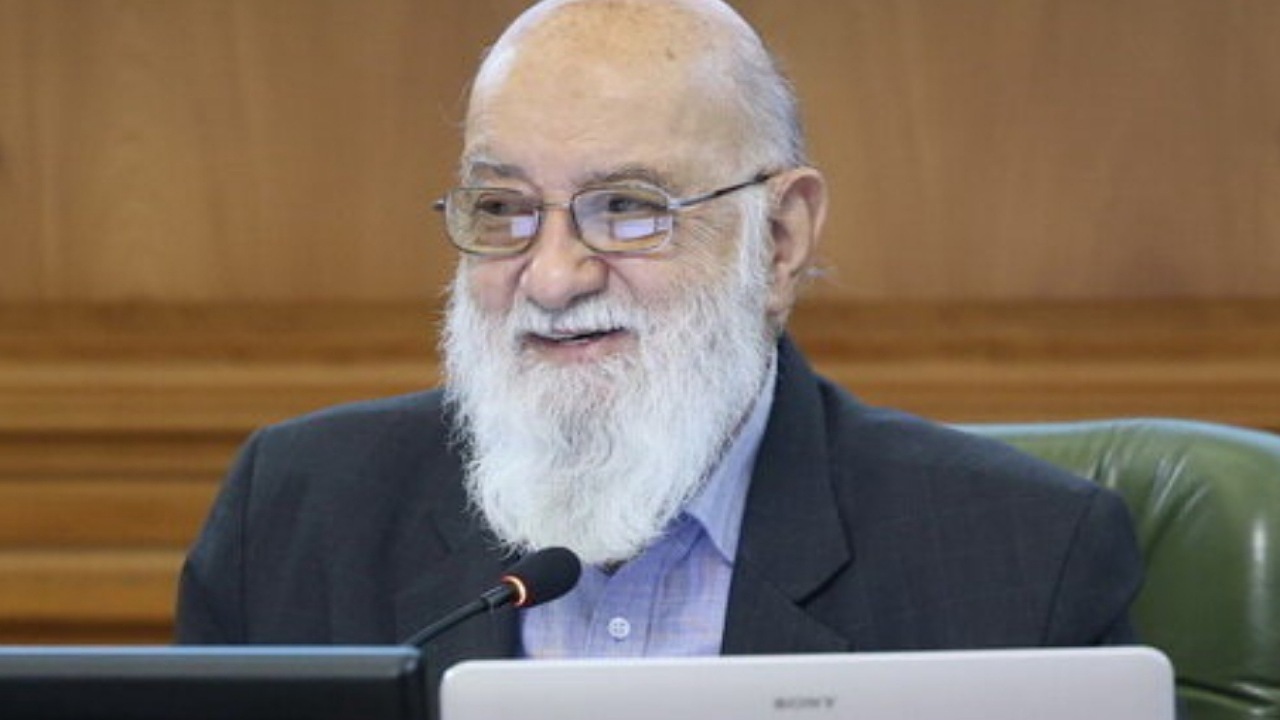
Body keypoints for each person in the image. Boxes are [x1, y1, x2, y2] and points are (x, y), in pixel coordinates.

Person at [177, 0, 1142, 693]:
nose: (552, 277)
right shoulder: (297, 517)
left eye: (630, 209)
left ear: (780, 239)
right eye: (503, 208)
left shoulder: (1023, 558)